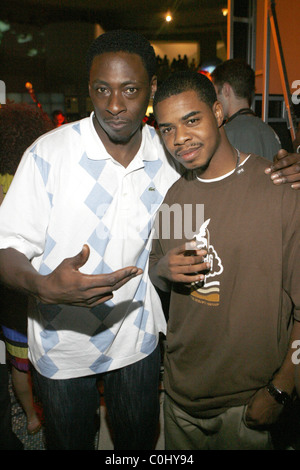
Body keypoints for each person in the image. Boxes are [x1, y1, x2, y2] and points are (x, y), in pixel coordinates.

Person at [0, 31, 299, 451]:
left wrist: (287, 170)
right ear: (89, 89)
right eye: (102, 89)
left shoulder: (170, 155)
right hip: (60, 344)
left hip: (136, 342)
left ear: (152, 90)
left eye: (130, 90)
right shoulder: (48, 155)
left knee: (137, 444)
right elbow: (5, 248)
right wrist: (43, 285)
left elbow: (207, 205)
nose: (114, 104)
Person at [149, 71, 300, 450]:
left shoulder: (278, 189)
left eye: (192, 120)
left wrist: (282, 387)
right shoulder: (176, 197)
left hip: (248, 402)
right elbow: (161, 271)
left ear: (218, 112)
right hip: (181, 398)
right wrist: (162, 270)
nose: (179, 138)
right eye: (167, 129)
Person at [0, 103, 54, 437]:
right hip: (37, 274)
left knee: (19, 358)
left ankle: (30, 417)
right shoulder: (34, 170)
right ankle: (52, 411)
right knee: (46, 357)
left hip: (7, 278)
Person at [211, 59, 282, 162]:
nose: (215, 99)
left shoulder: (224, 135)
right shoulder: (271, 133)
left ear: (226, 90)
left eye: (216, 92)